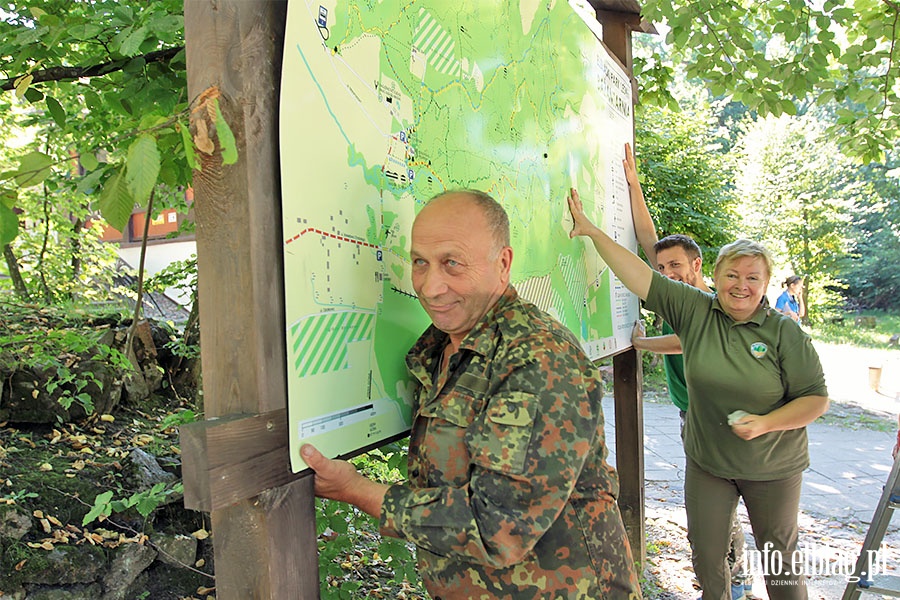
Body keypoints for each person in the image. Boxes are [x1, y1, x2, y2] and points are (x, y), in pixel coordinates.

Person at [302, 190, 642, 599]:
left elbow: (499, 527)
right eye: (419, 262)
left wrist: (355, 490)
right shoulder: (445, 345)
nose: (430, 287)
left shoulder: (537, 360)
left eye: (452, 264)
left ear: (503, 265)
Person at [567, 182, 829, 600]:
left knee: (779, 562)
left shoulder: (784, 332)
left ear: (765, 283)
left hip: (773, 468)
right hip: (709, 463)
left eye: (752, 278)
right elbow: (639, 275)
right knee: (707, 558)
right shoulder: (695, 308)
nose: (741, 285)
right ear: (717, 275)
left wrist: (765, 423)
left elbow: (815, 399)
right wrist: (592, 231)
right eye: (732, 275)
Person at [623, 143, 748, 600]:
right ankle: (732, 580)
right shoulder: (677, 294)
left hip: (721, 416)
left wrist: (641, 344)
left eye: (676, 266)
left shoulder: (714, 301)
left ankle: (732, 584)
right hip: (690, 413)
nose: (666, 273)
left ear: (698, 265)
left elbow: (686, 341)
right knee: (714, 506)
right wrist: (635, 186)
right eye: (661, 268)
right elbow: (646, 238)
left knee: (719, 505)